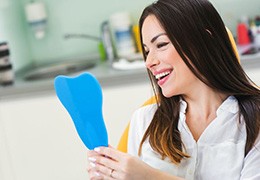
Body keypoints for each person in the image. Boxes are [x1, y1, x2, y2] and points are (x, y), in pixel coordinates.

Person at [87, 0, 260, 179]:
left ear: (204, 41)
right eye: (147, 51)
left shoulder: (254, 122)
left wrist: (149, 177)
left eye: (161, 45)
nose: (149, 62)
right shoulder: (145, 120)